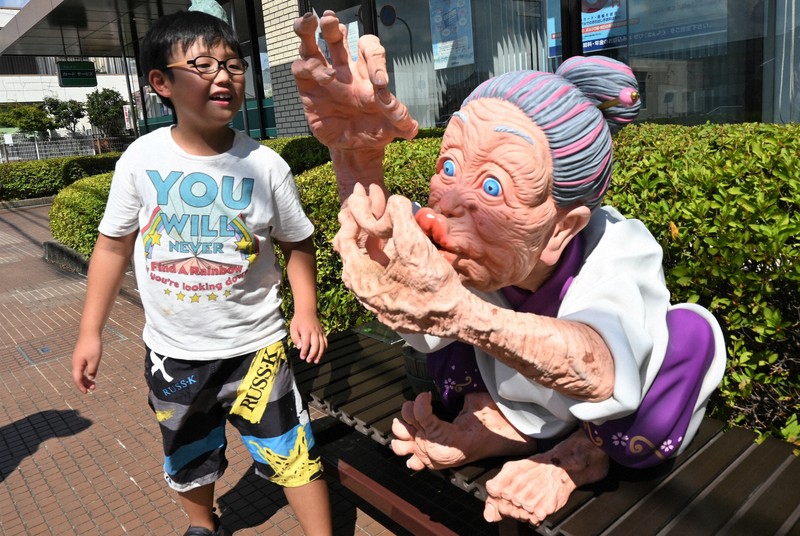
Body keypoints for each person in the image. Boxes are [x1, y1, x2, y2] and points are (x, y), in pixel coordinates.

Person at [292, 10, 726, 526]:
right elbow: (395, 280)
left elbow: (602, 370)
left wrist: (461, 313)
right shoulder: (475, 254)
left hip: (600, 415)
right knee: (447, 357)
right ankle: (485, 430)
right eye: (449, 166)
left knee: (692, 336)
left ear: (563, 227)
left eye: (493, 185)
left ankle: (580, 456)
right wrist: (357, 162)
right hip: (507, 392)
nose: (449, 199)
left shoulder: (617, 250)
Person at [71, 10, 332, 536]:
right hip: (174, 353)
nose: (224, 75)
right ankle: (201, 524)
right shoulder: (140, 159)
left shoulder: (265, 165)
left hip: (256, 347)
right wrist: (89, 331)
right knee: (188, 451)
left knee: (292, 451)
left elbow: (298, 242)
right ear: (161, 83)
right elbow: (113, 246)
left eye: (234, 64)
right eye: (204, 64)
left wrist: (307, 309)